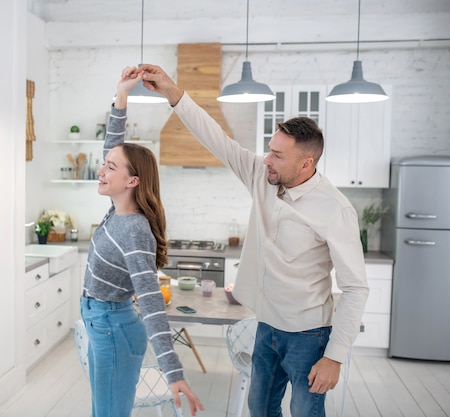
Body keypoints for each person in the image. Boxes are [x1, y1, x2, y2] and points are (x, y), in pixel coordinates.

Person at [135, 64, 369, 417]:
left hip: (309, 335)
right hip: (267, 326)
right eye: (269, 149)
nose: (266, 160)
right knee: (259, 407)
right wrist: (171, 91)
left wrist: (334, 356)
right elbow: (217, 138)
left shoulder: (335, 209)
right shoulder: (264, 175)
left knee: (306, 411)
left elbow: (355, 288)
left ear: (306, 164)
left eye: (277, 155)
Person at [80, 66, 203, 417]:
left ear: (133, 181)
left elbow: (150, 303)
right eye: (105, 166)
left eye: (110, 168)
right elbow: (113, 148)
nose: (102, 171)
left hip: (113, 330)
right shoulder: (117, 209)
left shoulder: (133, 230)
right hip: (103, 325)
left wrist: (174, 372)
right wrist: (122, 95)